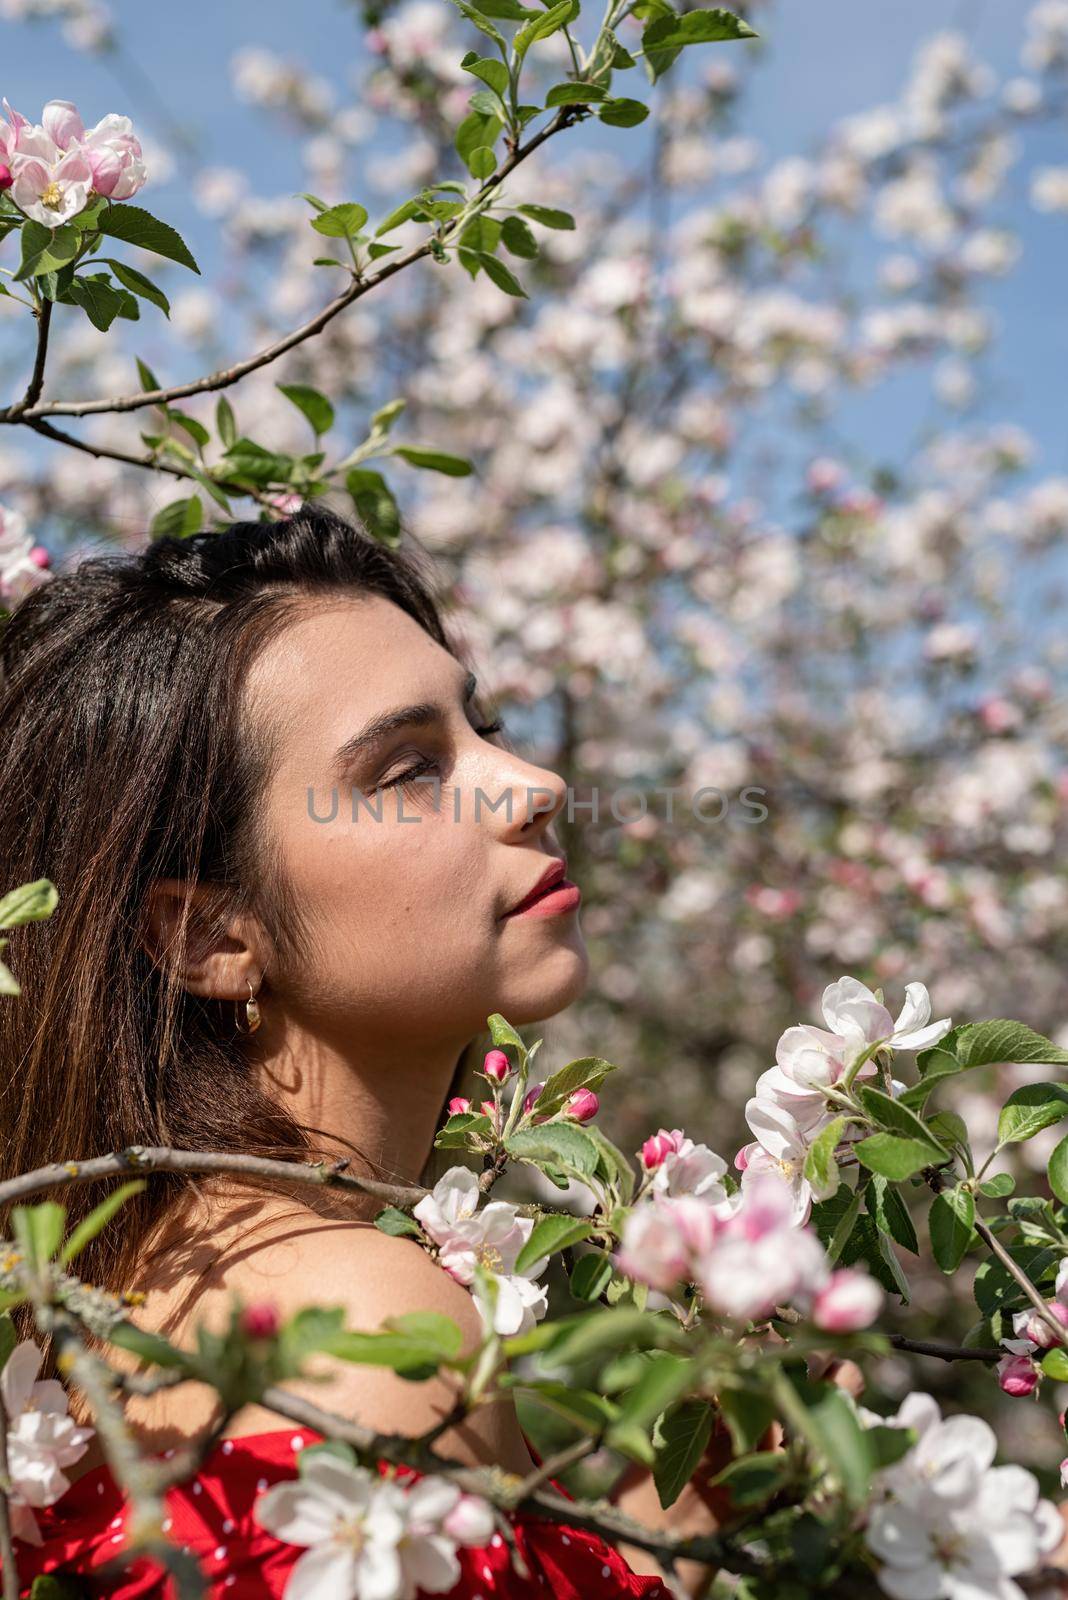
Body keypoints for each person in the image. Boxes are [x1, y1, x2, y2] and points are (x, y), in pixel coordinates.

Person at [0, 506, 727, 1599]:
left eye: (481, 724)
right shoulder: (367, 1318)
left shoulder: (96, 1314)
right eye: (408, 769)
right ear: (210, 935)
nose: (534, 786)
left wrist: (668, 1532)